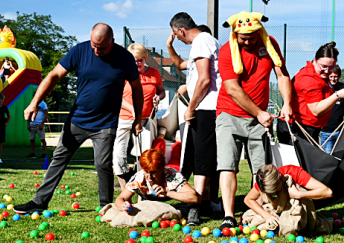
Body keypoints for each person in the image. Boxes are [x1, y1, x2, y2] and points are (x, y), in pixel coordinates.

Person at [14, 23, 143, 214]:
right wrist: (34, 102)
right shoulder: (80, 51)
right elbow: (54, 75)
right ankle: (40, 201)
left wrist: (137, 119)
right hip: (77, 120)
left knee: (103, 164)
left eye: (102, 47)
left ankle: (106, 207)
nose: (96, 50)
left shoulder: (124, 58)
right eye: (94, 45)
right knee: (59, 158)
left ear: (112, 42)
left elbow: (137, 88)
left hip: (105, 124)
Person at [215, 11, 293, 230]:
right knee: (227, 166)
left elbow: (282, 74)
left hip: (260, 118)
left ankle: (253, 212)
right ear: (235, 33)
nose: (247, 41)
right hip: (229, 114)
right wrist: (259, 112)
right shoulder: (226, 51)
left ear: (260, 31)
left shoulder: (270, 44)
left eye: (251, 36)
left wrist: (287, 103)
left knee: (261, 170)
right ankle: (229, 215)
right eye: (243, 37)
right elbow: (232, 88)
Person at [168, 12, 222, 225]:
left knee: (201, 158)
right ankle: (205, 200)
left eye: (177, 36)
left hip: (206, 108)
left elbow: (204, 79)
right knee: (200, 156)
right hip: (205, 108)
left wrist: (191, 107)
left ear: (180, 30)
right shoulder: (204, 42)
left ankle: (195, 206)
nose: (179, 39)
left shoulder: (201, 41)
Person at [278, 41, 344, 144]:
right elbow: (316, 110)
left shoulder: (320, 75)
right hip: (297, 127)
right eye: (323, 66)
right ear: (315, 60)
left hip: (308, 126)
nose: (327, 71)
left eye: (331, 67)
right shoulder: (309, 79)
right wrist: (338, 95)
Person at [114, 42, 165, 189]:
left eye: (140, 59)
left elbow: (161, 91)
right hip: (125, 118)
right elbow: (117, 96)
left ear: (145, 59)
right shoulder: (123, 73)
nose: (137, 62)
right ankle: (125, 187)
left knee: (146, 153)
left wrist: (158, 97)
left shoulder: (154, 73)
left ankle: (144, 186)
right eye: (134, 59)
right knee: (118, 153)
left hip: (145, 120)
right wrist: (132, 109)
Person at [243, 164, 332, 236]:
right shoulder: (264, 179)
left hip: (298, 210)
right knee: (252, 217)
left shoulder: (294, 172)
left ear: (280, 177)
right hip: (279, 209)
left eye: (275, 191)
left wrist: (299, 194)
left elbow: (327, 192)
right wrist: (266, 216)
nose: (273, 194)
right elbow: (248, 199)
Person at [114, 148, 198, 213]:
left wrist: (167, 193)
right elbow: (120, 199)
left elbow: (194, 197)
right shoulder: (139, 178)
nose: (149, 177)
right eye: (146, 172)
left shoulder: (172, 176)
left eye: (153, 172)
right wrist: (123, 205)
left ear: (162, 169)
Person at [320, 66, 344, 153]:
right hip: (326, 132)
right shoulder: (324, 89)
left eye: (335, 76)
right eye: (331, 76)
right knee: (328, 159)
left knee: (341, 157)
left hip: (341, 131)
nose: (333, 79)